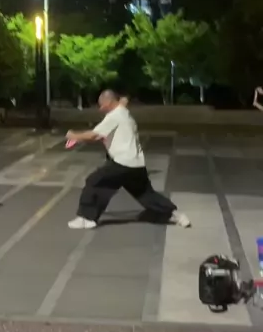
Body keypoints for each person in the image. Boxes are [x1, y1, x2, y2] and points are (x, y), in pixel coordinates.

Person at [66, 89, 191, 230]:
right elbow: (120, 106)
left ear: (109, 102)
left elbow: (93, 135)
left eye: (102, 105)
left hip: (122, 162)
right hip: (136, 163)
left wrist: (73, 135)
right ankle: (176, 214)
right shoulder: (125, 114)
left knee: (94, 181)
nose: (100, 108)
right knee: (146, 194)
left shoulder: (114, 116)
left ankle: (86, 218)